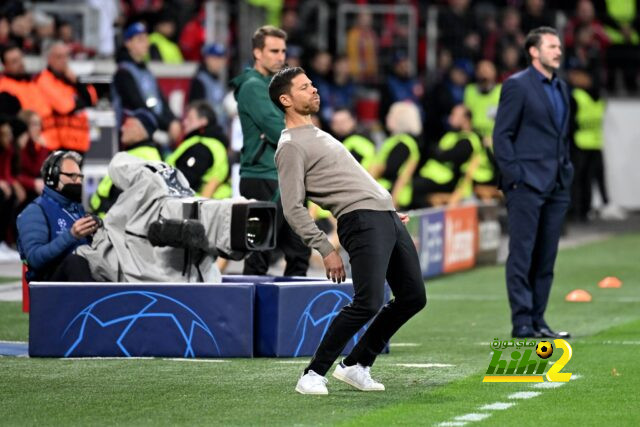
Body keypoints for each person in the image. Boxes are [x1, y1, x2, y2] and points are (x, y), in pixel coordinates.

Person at [270, 67, 426, 395]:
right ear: (286, 100)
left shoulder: (318, 134)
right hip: (360, 220)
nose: (314, 90)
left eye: (312, 85)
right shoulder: (290, 146)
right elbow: (293, 207)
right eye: (303, 87)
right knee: (367, 302)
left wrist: (386, 209)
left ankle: (356, 365)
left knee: (413, 297)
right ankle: (313, 373)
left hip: (384, 216)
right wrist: (325, 248)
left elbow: (352, 179)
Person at [493, 27, 573, 339]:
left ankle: (539, 320)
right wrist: (516, 178)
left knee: (546, 257)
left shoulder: (561, 87)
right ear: (534, 52)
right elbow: (502, 136)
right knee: (522, 255)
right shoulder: (517, 85)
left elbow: (559, 136)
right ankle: (522, 322)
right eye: (552, 46)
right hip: (526, 185)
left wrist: (566, 170)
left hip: (556, 184)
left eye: (559, 46)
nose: (559, 51)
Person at [230, 25, 310, 276]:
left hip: (282, 176)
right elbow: (281, 130)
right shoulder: (253, 86)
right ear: (257, 53)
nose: (280, 57)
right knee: (260, 254)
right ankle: (251, 315)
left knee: (298, 252)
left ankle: (292, 315)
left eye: (283, 51)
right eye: (273, 51)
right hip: (262, 178)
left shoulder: (273, 86)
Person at [16, 150, 97, 281]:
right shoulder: (35, 211)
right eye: (72, 176)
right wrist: (71, 235)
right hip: (49, 286)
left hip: (76, 280)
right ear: (52, 177)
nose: (78, 181)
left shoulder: (78, 209)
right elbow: (35, 259)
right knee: (75, 262)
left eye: (80, 177)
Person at [111, 22, 181, 142]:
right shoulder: (123, 72)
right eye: (140, 40)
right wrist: (166, 124)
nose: (146, 44)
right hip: (135, 135)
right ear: (128, 43)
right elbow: (137, 105)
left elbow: (161, 100)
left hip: (154, 129)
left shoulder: (147, 71)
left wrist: (173, 120)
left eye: (146, 39)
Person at [90, 108, 162, 217]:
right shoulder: (139, 154)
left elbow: (126, 203)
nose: (122, 128)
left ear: (139, 130)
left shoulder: (140, 159)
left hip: (111, 227)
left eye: (127, 124)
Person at [35, 41, 97, 154]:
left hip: (78, 143)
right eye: (59, 57)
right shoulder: (44, 79)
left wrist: (77, 82)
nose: (64, 61)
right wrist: (79, 101)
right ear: (49, 59)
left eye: (66, 56)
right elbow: (64, 106)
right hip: (56, 144)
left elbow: (92, 98)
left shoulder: (71, 78)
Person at [166, 101, 230, 199]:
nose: (184, 122)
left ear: (203, 121)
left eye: (190, 119)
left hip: (194, 208)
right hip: (210, 205)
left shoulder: (201, 146)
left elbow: (184, 181)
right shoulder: (214, 143)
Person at [0, 43, 57, 149]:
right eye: (14, 61)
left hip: (48, 142)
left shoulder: (33, 82)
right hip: (27, 146)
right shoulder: (4, 88)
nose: (20, 64)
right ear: (5, 66)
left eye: (20, 58)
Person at [188, 43, 228, 132]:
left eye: (221, 58)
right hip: (207, 131)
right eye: (215, 58)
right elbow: (196, 110)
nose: (219, 62)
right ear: (207, 59)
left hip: (219, 129)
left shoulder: (218, 80)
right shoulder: (200, 81)